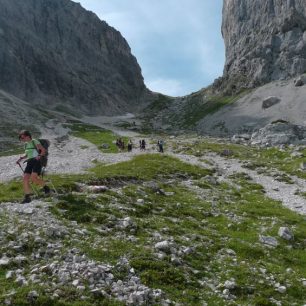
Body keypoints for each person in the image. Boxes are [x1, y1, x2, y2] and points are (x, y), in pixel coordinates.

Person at [16, 130, 50, 203]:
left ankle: (46, 188)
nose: (22, 139)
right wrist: (20, 158)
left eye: (23, 137)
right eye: (21, 138)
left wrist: (39, 156)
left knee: (33, 178)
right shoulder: (26, 145)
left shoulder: (34, 141)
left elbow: (43, 150)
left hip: (37, 161)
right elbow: (27, 154)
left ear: (28, 136)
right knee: (25, 178)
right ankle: (27, 197)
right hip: (30, 162)